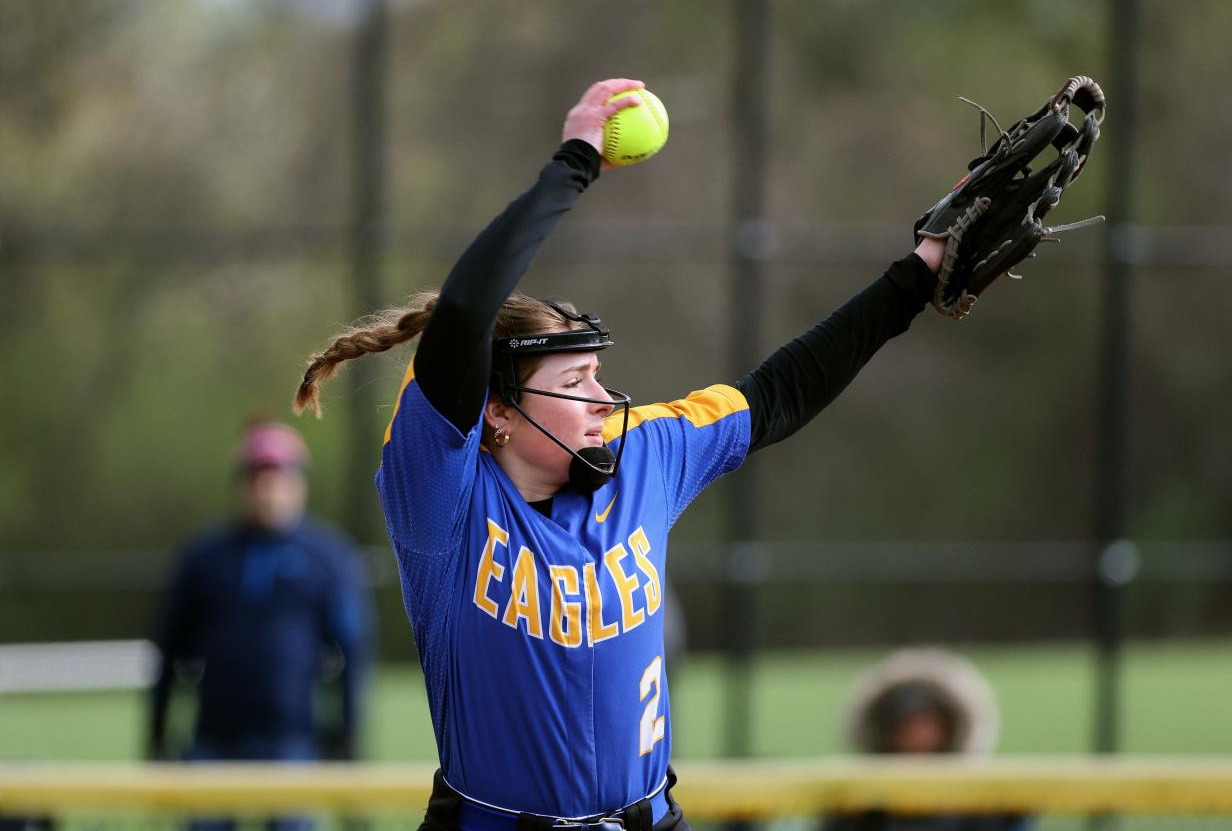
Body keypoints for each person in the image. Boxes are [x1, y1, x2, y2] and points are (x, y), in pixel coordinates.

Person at [294, 78, 947, 831]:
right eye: (574, 381)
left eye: (598, 374)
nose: (604, 398)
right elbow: (468, 311)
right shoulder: (442, 496)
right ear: (499, 413)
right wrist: (576, 159)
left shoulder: (642, 455)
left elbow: (777, 394)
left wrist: (915, 277)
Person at [148, 418, 374, 830]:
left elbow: (354, 653)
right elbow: (168, 649)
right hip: (213, 738)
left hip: (291, 741)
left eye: (280, 480)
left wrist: (349, 737)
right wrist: (158, 732)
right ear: (241, 486)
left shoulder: (329, 559)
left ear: (300, 485)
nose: (269, 492)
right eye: (258, 479)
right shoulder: (202, 558)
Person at [822, 649, 1031, 831]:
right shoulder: (862, 808)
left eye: (930, 724)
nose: (921, 735)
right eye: (910, 725)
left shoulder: (978, 807)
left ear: (949, 729)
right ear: (889, 731)